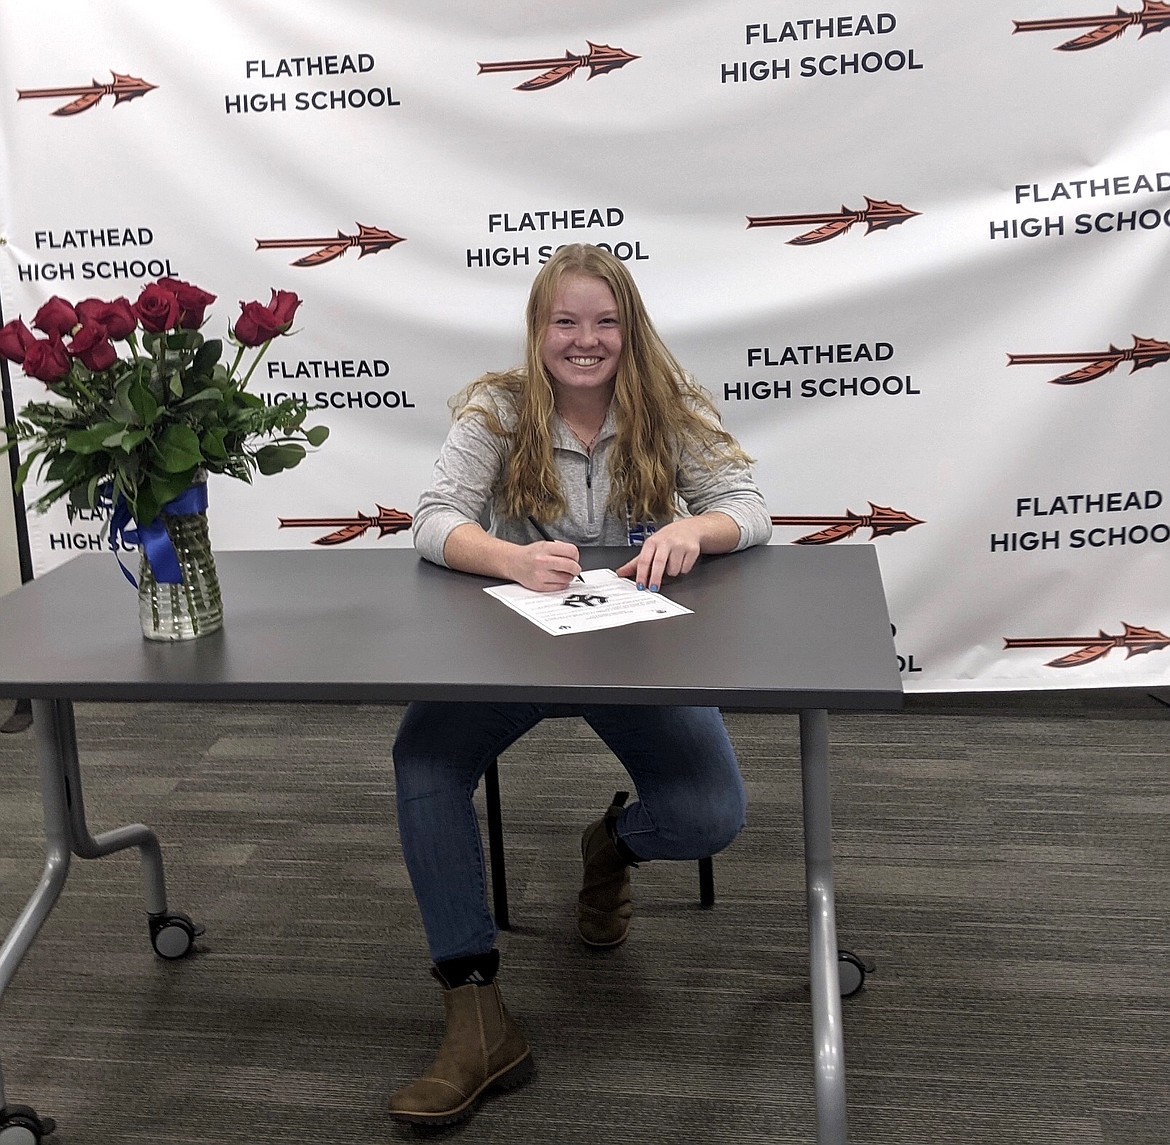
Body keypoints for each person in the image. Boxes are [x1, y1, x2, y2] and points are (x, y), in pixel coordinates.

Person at [388, 244, 772, 1124]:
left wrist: (695, 533)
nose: (585, 340)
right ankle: (477, 1011)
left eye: (604, 321)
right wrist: (510, 558)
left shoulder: (668, 405)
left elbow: (748, 504)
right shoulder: (497, 406)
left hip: (637, 653)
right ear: (539, 329)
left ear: (628, 329)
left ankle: (613, 845)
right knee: (424, 759)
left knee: (712, 813)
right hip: (517, 648)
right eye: (566, 321)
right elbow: (433, 519)